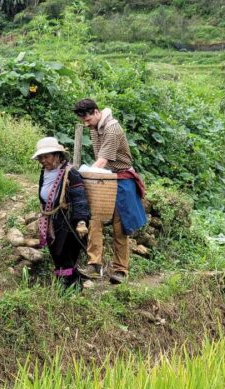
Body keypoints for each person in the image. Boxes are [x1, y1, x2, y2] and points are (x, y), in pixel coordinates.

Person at [73, 99, 147, 284]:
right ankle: (94, 265)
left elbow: (102, 160)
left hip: (121, 179)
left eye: (88, 119)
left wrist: (81, 176)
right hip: (104, 178)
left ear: (96, 112)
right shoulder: (94, 126)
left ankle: (121, 270)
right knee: (95, 218)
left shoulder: (112, 129)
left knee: (119, 225)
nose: (86, 124)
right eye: (84, 121)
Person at [32, 137, 90, 288]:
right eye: (40, 157)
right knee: (56, 255)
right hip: (52, 220)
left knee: (65, 254)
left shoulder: (71, 173)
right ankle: (66, 287)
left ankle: (72, 288)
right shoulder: (44, 172)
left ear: (57, 155)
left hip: (69, 222)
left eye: (46, 156)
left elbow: (80, 199)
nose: (42, 160)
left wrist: (81, 222)